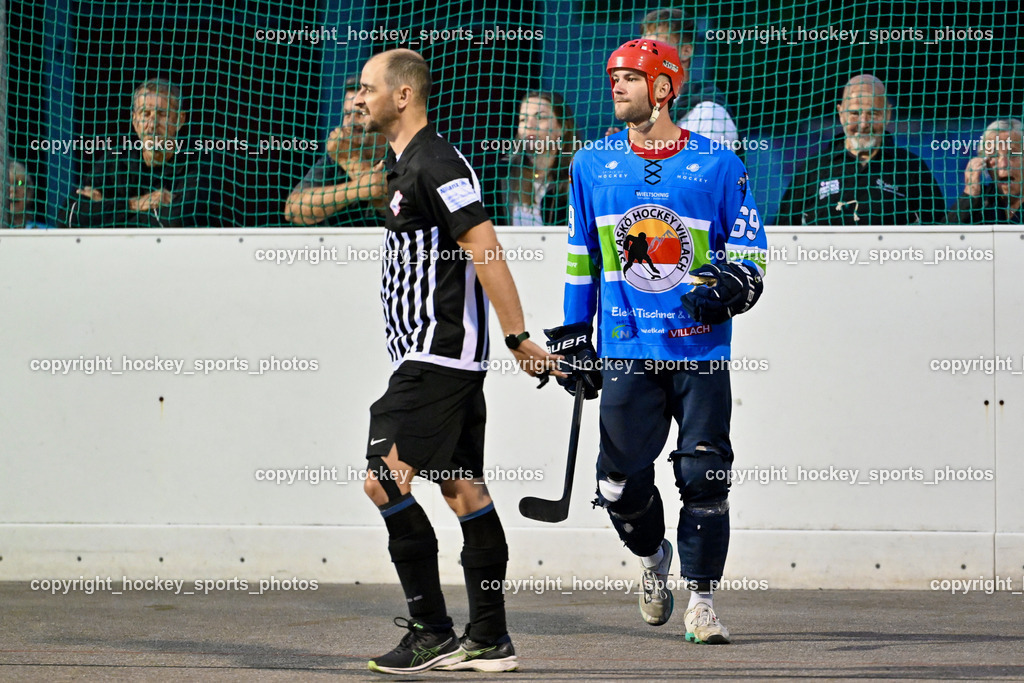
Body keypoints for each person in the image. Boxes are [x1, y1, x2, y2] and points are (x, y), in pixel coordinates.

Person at [548, 39, 765, 645]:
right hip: (624, 349)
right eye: (612, 76)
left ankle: (702, 602)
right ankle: (652, 559)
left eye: (630, 78)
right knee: (617, 485)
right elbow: (580, 256)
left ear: (665, 87)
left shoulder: (720, 165)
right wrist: (572, 337)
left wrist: (735, 283)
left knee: (704, 476)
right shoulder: (590, 163)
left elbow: (750, 251)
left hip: (699, 352)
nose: (615, 86)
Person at [353, 48, 562, 675]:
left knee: (383, 478)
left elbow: (486, 250)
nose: (358, 99)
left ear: (404, 96)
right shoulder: (400, 164)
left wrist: (518, 335)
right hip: (436, 359)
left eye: (368, 89)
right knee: (463, 489)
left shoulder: (437, 162)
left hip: (436, 358)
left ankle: (431, 629)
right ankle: (491, 639)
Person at [775, 74, 945, 225]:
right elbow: (782, 233)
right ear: (841, 114)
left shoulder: (911, 168)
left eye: (873, 114)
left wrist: (968, 196)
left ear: (887, 115)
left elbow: (941, 233)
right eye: (855, 114)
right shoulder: (813, 169)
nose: (864, 124)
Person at [58, 78, 227, 228]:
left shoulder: (200, 159)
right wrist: (135, 204)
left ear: (179, 120)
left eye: (162, 115)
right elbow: (69, 216)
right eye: (145, 114)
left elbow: (176, 220)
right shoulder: (117, 158)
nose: (152, 125)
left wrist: (105, 210)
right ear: (134, 120)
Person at [283, 76, 388, 226]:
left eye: (361, 114)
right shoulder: (339, 155)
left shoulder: (403, 155)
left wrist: (352, 162)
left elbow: (398, 210)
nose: (351, 122)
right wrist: (359, 188)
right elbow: (293, 210)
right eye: (347, 114)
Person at [640, 8, 740, 149]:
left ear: (686, 51)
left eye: (657, 46)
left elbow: (710, 169)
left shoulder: (709, 114)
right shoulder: (644, 116)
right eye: (644, 47)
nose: (648, 54)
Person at [497, 91, 574, 226]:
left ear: (562, 127)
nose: (529, 125)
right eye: (523, 119)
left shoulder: (578, 177)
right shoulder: (500, 176)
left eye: (540, 117)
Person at [946, 119, 1024, 224]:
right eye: (994, 155)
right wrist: (970, 195)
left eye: (1013, 154)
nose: (1003, 164)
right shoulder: (980, 203)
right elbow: (944, 237)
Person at [8, 162, 52, 229]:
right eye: (6, 183)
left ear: (29, 190)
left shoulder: (46, 232)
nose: (13, 189)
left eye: (20, 183)